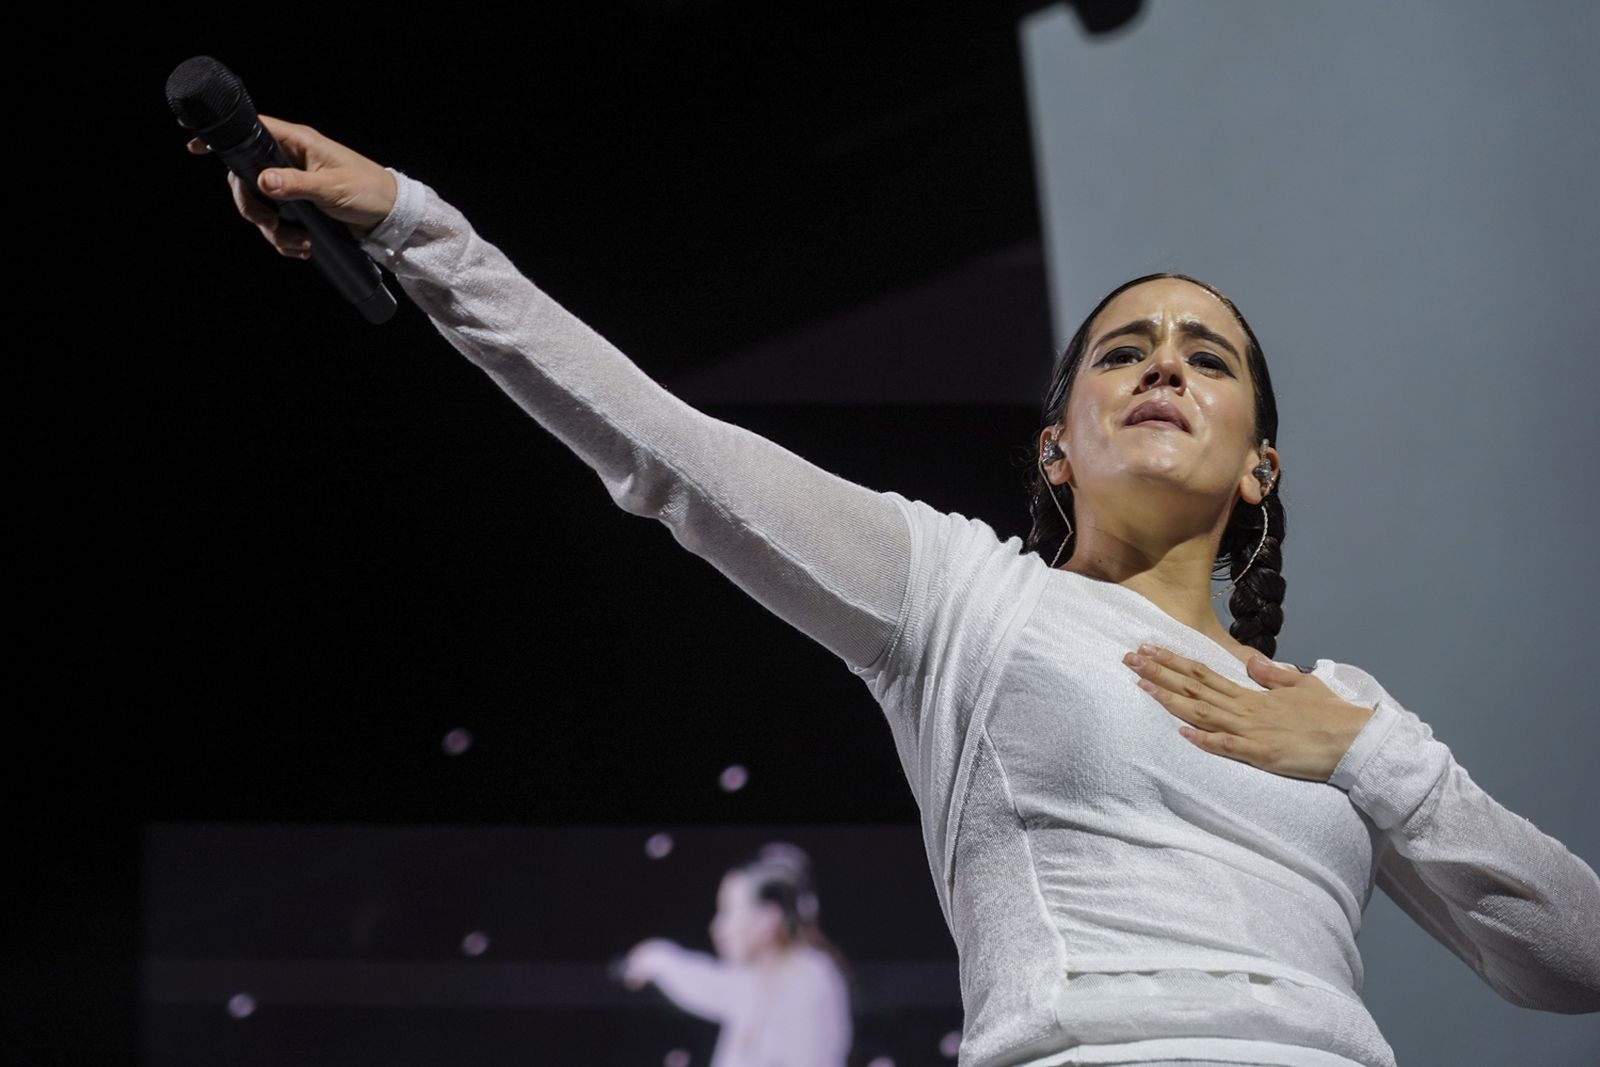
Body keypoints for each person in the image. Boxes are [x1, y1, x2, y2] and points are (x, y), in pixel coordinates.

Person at [186, 118, 1600, 1067]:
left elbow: (1572, 961)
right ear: (1059, 439)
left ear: (1257, 466)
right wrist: (422, 227)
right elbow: (662, 446)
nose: (1166, 364)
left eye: (1208, 356)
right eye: (1125, 350)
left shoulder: (1341, 712)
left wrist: (1372, 756)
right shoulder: (964, 601)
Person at [620, 843, 851, 1067]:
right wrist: (656, 959)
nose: (718, 927)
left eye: (728, 911)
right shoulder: (756, 980)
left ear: (768, 918)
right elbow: (704, 982)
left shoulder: (808, 982)